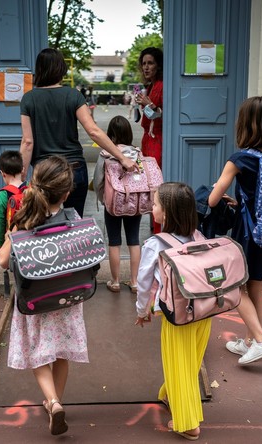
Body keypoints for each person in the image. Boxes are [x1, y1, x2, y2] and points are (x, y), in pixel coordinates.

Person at [0, 156, 87, 436]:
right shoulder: (73, 219)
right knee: (61, 353)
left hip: (33, 300)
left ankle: (54, 402)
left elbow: (2, 261)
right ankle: (53, 402)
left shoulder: (24, 220)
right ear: (67, 192)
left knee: (38, 352)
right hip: (67, 299)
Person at [207, 97, 262, 363]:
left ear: (244, 125)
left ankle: (261, 341)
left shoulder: (239, 159)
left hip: (248, 234)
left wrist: (219, 189)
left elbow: (213, 200)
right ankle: (251, 341)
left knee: (235, 287)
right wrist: (242, 200)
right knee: (256, 288)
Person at [20, 48, 136, 218]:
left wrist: (21, 174)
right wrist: (123, 157)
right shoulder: (73, 95)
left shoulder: (29, 98)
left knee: (44, 225)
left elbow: (27, 142)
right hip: (74, 170)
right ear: (61, 69)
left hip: (45, 172)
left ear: (39, 69)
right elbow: (94, 131)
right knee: (74, 226)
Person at [133, 182, 208, 440]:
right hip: (203, 311)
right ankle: (170, 394)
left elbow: (143, 283)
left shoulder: (156, 244)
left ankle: (189, 423)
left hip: (177, 315)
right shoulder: (200, 237)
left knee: (177, 362)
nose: (151, 208)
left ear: (166, 213)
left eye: (155, 204)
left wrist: (142, 311)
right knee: (190, 361)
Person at [93, 116, 143, 294]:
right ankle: (135, 282)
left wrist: (104, 199)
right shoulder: (137, 153)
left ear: (110, 136)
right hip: (134, 203)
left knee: (114, 241)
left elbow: (98, 180)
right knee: (134, 240)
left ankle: (114, 282)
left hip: (113, 203)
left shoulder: (105, 154)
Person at [135, 47, 164, 233]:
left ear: (159, 65)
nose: (146, 67)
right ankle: (155, 226)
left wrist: (148, 104)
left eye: (150, 63)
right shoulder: (152, 85)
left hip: (156, 141)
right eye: (144, 63)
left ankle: (158, 227)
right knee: (151, 185)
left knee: (155, 186)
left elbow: (161, 116)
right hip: (149, 140)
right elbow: (151, 115)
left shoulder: (160, 85)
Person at [0, 150, 26, 252]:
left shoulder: (2, 196)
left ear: (2, 173)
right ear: (23, 169)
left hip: (12, 239)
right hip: (31, 236)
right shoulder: (32, 189)